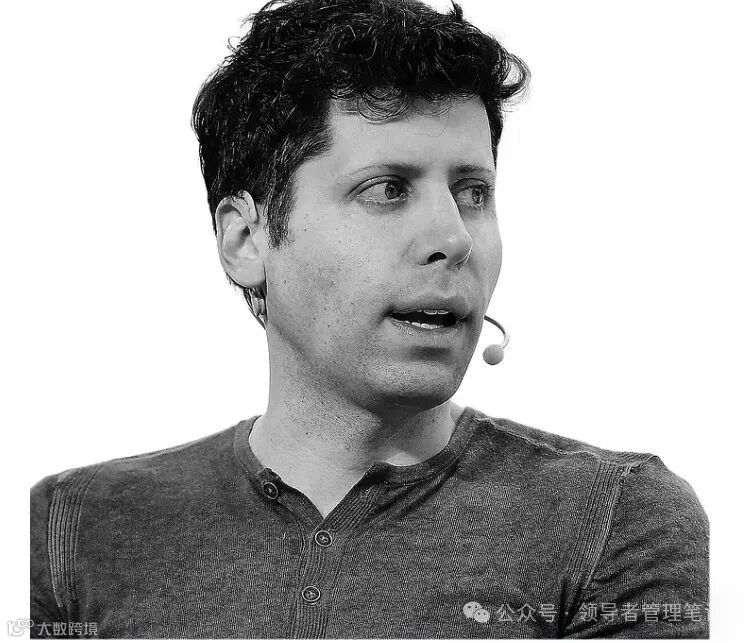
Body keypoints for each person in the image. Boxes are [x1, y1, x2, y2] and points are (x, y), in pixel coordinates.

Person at [30, 0, 709, 638]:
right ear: (246, 239)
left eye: (473, 192)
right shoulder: (70, 531)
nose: (454, 237)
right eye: (387, 189)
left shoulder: (612, 518)